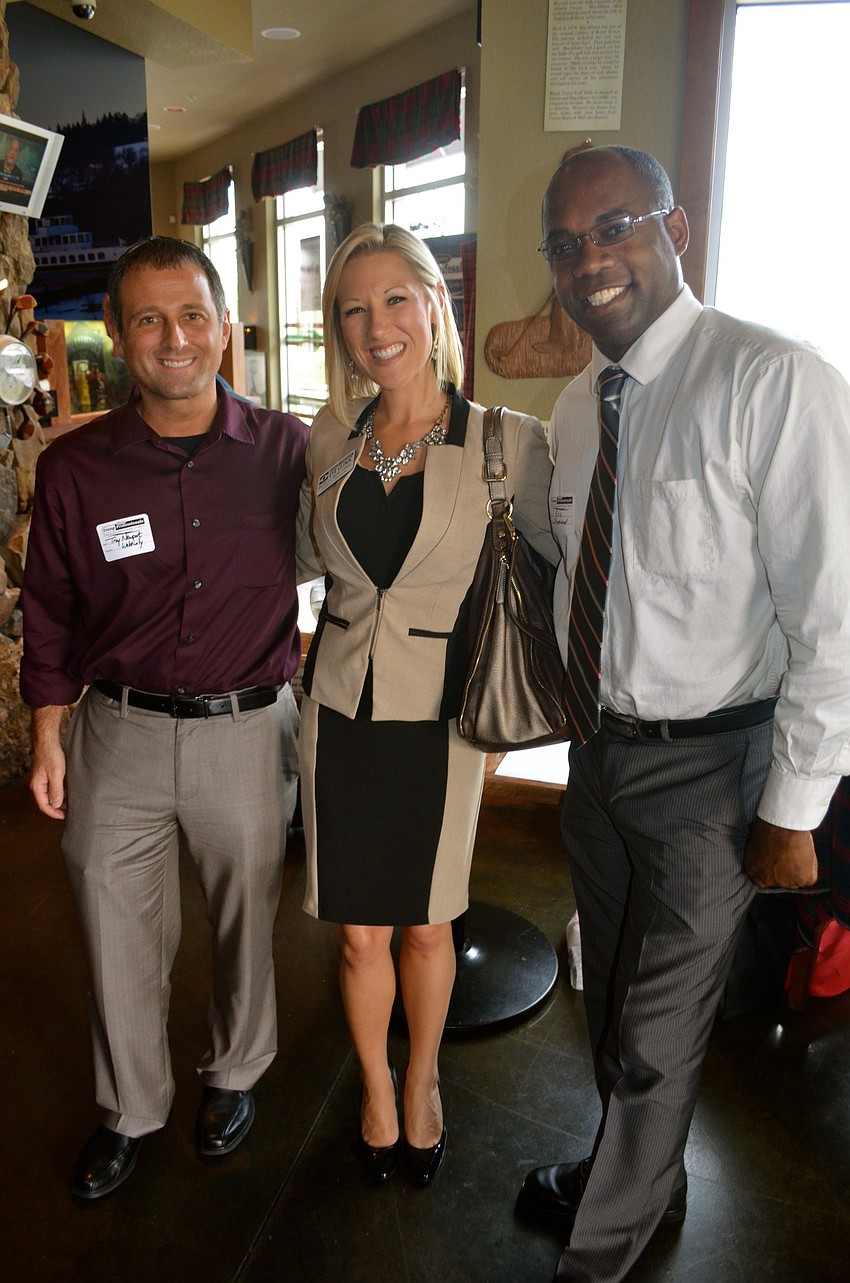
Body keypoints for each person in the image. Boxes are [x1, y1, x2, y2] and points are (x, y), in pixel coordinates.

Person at [517, 146, 850, 1282]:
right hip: (599, 755)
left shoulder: (773, 380)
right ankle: (641, 1175)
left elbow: (833, 616)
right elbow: (566, 563)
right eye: (566, 243)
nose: (589, 259)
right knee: (607, 992)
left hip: (716, 765)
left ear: (677, 227)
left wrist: (794, 803)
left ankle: (599, 1251)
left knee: (659, 1030)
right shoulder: (573, 406)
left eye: (613, 226)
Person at [21, 237, 308, 1199]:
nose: (173, 338)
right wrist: (49, 733)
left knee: (244, 921)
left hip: (246, 725)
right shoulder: (74, 469)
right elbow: (50, 611)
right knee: (113, 921)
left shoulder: (288, 450)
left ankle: (234, 1072)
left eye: (192, 315)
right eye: (148, 318)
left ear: (224, 326)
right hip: (119, 730)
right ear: (118, 332)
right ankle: (130, 1105)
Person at [297, 223, 556, 1185]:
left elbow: (555, 579)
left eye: (395, 299)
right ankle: (375, 1086)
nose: (377, 325)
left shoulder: (505, 443)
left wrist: (511, 729)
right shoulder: (328, 437)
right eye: (354, 310)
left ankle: (423, 1083)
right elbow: (294, 557)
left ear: (434, 306)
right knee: (359, 928)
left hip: (445, 721)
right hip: (337, 715)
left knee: (426, 922)